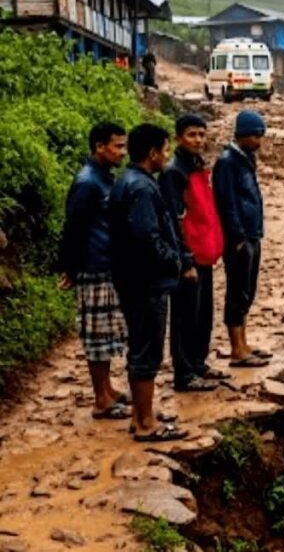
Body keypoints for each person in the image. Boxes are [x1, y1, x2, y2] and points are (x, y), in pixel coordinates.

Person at [109, 123, 187, 442]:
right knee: (148, 350)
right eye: (165, 149)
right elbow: (146, 237)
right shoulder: (142, 189)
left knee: (140, 347)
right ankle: (145, 423)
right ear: (153, 153)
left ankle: (140, 414)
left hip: (130, 278)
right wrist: (172, 258)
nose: (167, 156)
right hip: (146, 283)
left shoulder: (126, 181)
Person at [56, 122, 131, 420]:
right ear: (99, 147)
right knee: (97, 337)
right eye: (117, 146)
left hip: (106, 264)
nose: (122, 153)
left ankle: (108, 389)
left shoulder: (104, 178)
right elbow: (74, 228)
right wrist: (71, 268)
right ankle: (101, 398)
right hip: (94, 266)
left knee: (106, 332)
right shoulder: (88, 183)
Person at [159, 114, 230, 392]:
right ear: (178, 138)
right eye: (192, 135)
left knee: (202, 314)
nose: (198, 140)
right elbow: (173, 220)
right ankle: (184, 373)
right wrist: (184, 259)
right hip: (188, 257)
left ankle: (198, 364)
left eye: (201, 134)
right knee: (185, 316)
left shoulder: (197, 166)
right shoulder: (174, 172)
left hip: (204, 255)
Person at [213, 110, 271, 368]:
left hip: (251, 234)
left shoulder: (245, 159)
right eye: (256, 136)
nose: (259, 141)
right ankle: (237, 349)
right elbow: (226, 203)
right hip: (240, 238)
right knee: (237, 292)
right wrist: (236, 237)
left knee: (247, 291)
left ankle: (244, 344)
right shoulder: (227, 162)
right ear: (243, 135)